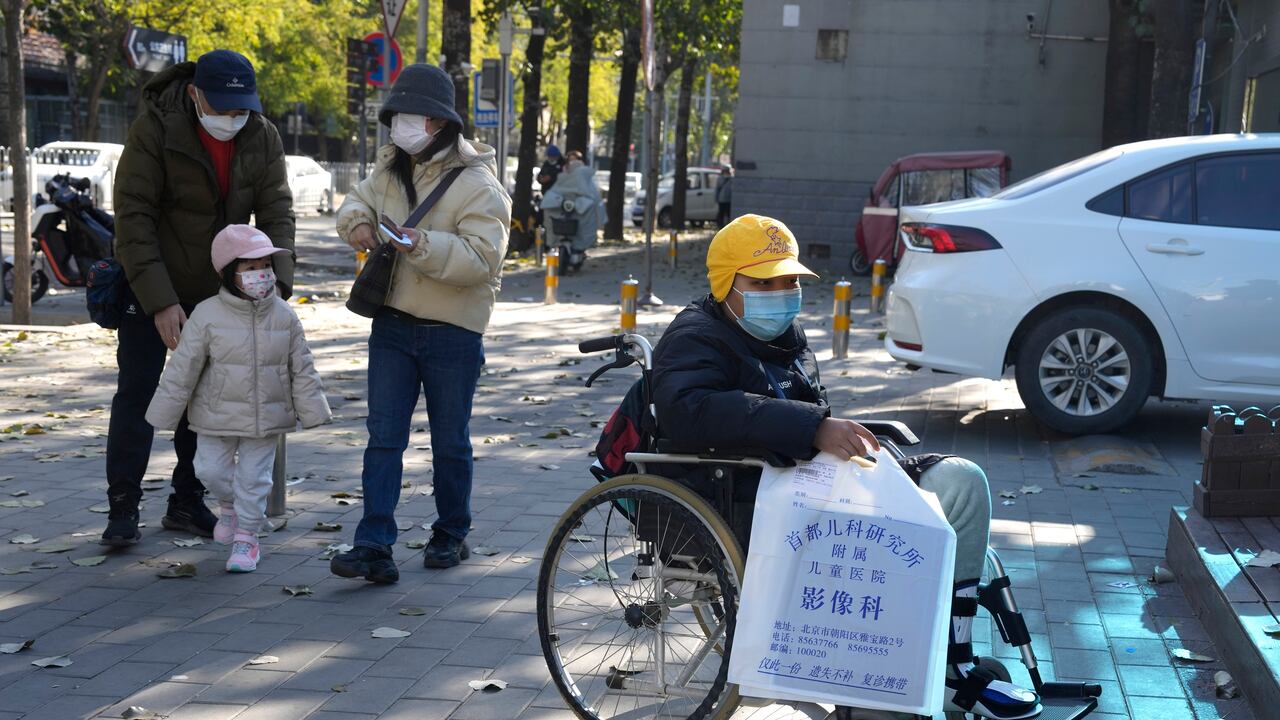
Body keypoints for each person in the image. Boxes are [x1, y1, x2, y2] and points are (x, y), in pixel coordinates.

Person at [649, 214, 1041, 720]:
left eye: (790, 280)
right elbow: (690, 411)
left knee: (962, 483)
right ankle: (885, 691)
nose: (783, 292)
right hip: (749, 494)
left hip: (819, 480)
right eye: (763, 282)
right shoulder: (694, 337)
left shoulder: (784, 334)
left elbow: (812, 413)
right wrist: (811, 428)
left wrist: (843, 440)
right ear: (727, 283)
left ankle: (949, 661)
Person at [103, 49, 295, 547]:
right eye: (224, 106)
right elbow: (134, 219)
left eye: (242, 107)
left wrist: (276, 285)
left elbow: (277, 214)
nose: (234, 117)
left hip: (219, 293)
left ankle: (186, 500)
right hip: (152, 286)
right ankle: (122, 504)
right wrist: (161, 302)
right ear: (195, 95)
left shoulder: (262, 135)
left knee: (208, 402)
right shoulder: (155, 130)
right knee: (140, 392)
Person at [331, 64, 511, 584]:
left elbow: (484, 259)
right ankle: (373, 545)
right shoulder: (389, 169)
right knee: (383, 437)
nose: (398, 128)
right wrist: (358, 223)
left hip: (452, 332)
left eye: (409, 118)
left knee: (449, 440)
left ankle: (451, 533)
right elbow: (356, 201)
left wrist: (421, 244)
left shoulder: (480, 185)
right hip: (391, 322)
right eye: (395, 118)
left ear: (437, 123)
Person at [145, 225, 330, 572]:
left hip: (267, 418)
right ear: (230, 274)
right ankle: (229, 505)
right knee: (209, 470)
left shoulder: (285, 316)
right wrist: (163, 413)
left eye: (266, 266)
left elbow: (302, 367)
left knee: (254, 479)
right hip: (215, 415)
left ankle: (247, 538)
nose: (261, 275)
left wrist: (314, 411)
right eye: (250, 268)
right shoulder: (206, 315)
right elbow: (182, 368)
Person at [542, 150, 600, 273]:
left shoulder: (584, 173)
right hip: (565, 203)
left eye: (575, 159)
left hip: (579, 204)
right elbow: (558, 186)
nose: (572, 162)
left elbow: (589, 190)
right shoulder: (563, 172)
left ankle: (579, 251)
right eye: (570, 159)